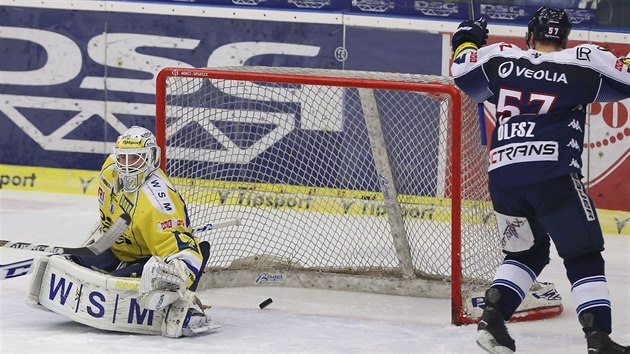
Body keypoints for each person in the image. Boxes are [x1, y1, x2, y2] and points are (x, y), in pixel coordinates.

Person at [450, 6, 630, 354]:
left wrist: (468, 37)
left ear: (529, 36)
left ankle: (493, 321)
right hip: (553, 174)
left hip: (504, 177)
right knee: (583, 254)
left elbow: (463, 72)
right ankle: (599, 339)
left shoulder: (500, 58)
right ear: (564, 38)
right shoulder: (583, 61)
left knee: (526, 253)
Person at [72, 125, 213, 338]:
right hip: (119, 247)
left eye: (136, 159)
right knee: (74, 263)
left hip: (147, 260)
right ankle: (117, 265)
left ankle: (186, 308)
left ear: (151, 158)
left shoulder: (159, 203)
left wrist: (175, 283)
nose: (127, 166)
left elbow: (190, 255)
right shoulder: (110, 168)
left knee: (113, 290)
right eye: (123, 158)